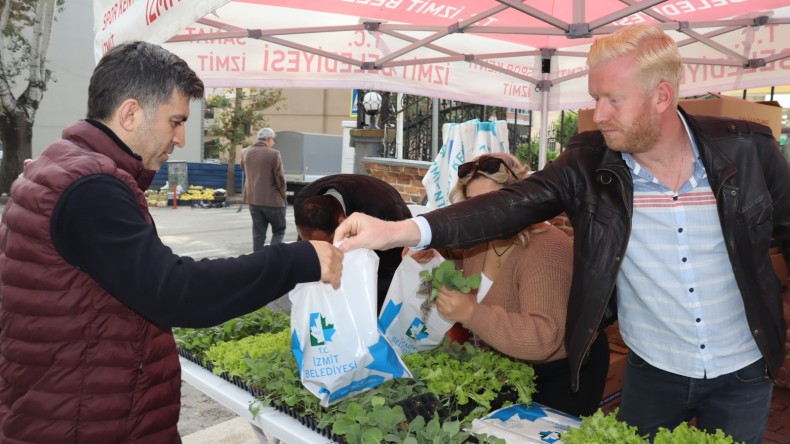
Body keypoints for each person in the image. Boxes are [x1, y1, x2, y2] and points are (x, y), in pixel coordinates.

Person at [333, 24, 788, 443]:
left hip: (743, 367)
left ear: (661, 96)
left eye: (612, 100)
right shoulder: (587, 162)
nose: (598, 114)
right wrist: (402, 230)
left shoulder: (750, 150)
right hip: (653, 369)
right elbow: (507, 206)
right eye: (594, 98)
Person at [0, 41, 342, 443]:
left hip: (77, 406)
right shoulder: (90, 188)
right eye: (175, 121)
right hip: (85, 422)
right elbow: (176, 291)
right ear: (130, 113)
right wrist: (298, 259)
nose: (180, 138)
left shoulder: (64, 167)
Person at [432, 152, 608, 417]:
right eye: (474, 205)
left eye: (493, 202)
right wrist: (430, 253)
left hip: (562, 371)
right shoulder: (478, 240)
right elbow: (463, 266)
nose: (483, 215)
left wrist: (471, 313)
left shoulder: (546, 248)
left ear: (520, 199)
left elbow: (544, 337)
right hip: (513, 365)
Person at [293, 174, 412, 309]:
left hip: (388, 254)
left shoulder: (383, 210)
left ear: (342, 222)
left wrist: (362, 303)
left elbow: (392, 268)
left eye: (328, 242)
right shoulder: (303, 201)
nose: (321, 250)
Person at [241, 127, 287, 251]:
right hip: (273, 201)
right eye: (274, 140)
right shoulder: (274, 154)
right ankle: (273, 258)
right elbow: (280, 179)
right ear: (269, 139)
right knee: (279, 231)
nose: (274, 143)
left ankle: (257, 259)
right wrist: (283, 196)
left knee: (258, 234)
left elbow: (245, 170)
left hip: (253, 200)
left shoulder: (244, 152)